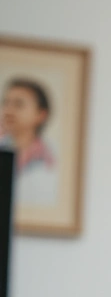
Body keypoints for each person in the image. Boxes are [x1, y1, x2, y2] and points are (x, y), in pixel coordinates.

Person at [1, 78, 57, 206]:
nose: (8, 110)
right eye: (5, 103)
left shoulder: (48, 159)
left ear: (41, 114)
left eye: (18, 104)